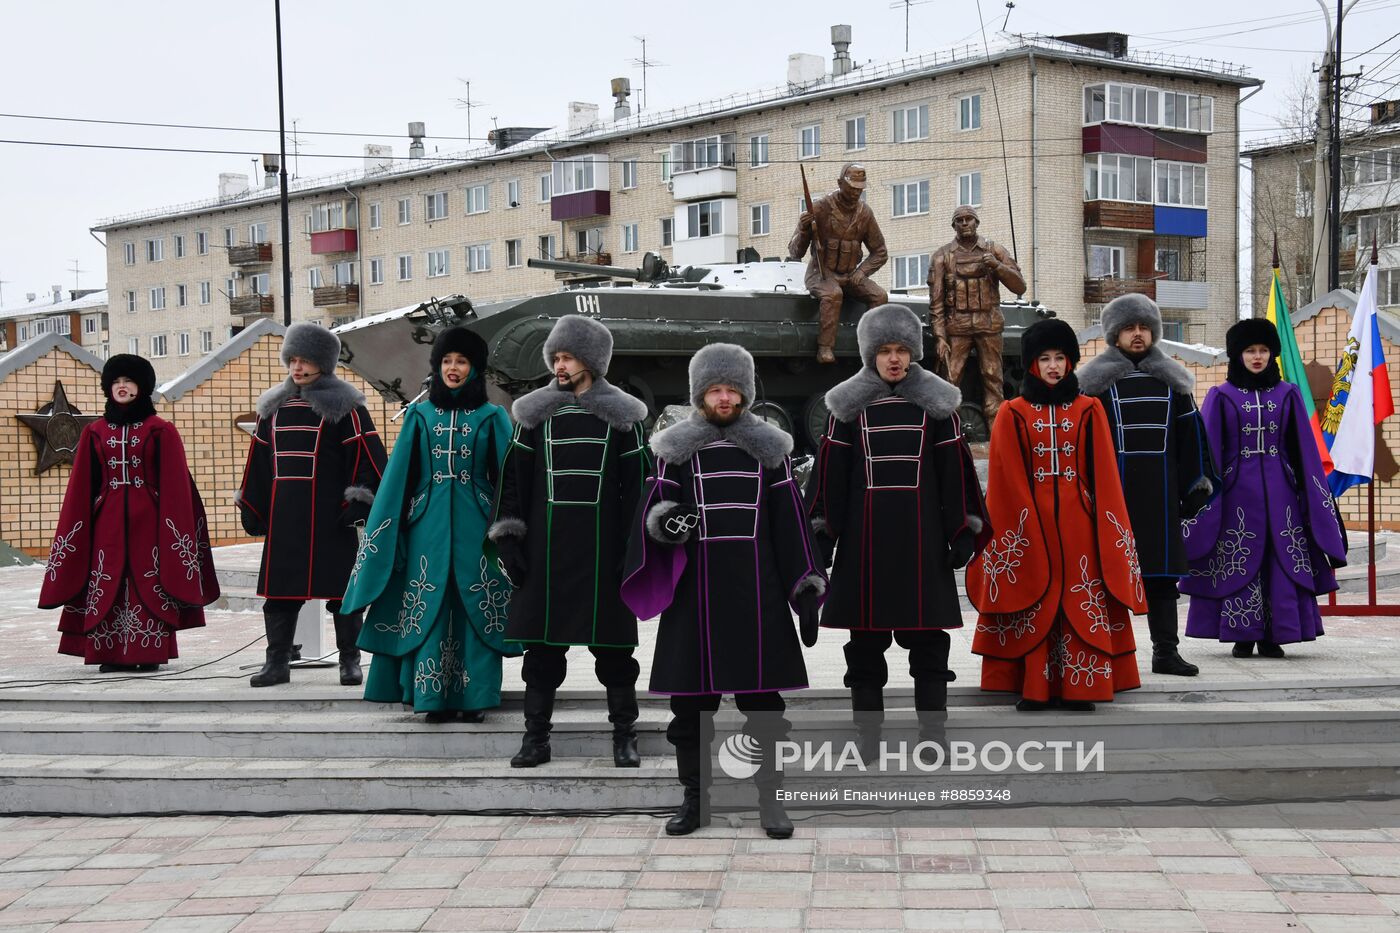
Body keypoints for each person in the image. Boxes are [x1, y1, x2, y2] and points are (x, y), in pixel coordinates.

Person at [622, 343, 825, 839]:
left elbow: (791, 527)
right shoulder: (676, 451)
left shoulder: (769, 452)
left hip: (758, 599)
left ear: (747, 393)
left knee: (765, 712)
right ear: (700, 394)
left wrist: (806, 589)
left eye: (733, 388)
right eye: (716, 389)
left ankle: (771, 802)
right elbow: (655, 517)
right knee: (690, 710)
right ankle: (694, 801)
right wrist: (669, 523)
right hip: (695, 600)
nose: (725, 397)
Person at [806, 304, 989, 758]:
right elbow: (830, 478)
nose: (894, 358)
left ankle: (933, 735)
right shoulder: (845, 409)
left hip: (922, 548)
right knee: (865, 648)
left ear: (914, 354)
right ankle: (867, 738)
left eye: (902, 349)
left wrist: (963, 530)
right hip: (865, 549)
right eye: (885, 350)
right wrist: (823, 535)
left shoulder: (939, 408)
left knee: (929, 646)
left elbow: (956, 474)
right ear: (870, 354)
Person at [487, 315, 651, 766]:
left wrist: (636, 552)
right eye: (556, 357)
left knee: (615, 654)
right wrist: (508, 539)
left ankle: (625, 736)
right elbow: (512, 484)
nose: (559, 365)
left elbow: (640, 488)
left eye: (568, 357)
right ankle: (535, 740)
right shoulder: (533, 414)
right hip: (544, 554)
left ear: (592, 361)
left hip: (604, 556)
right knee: (541, 654)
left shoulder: (625, 416)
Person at [340, 327, 517, 721]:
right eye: (446, 361)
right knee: (429, 603)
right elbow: (398, 478)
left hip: (477, 528)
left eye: (462, 361)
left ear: (475, 369)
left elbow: (509, 477)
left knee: (474, 605)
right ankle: (431, 697)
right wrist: (389, 532)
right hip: (425, 527)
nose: (453, 368)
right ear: (437, 367)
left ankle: (475, 699)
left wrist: (510, 531)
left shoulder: (492, 416)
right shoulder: (420, 415)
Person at [967, 319, 1145, 711]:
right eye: (1044, 358)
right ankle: (1035, 686)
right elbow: (1005, 478)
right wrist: (1022, 524)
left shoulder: (1089, 409)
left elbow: (1105, 474)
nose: (1052, 366)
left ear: (1071, 362)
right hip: (1030, 523)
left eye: (1060, 358)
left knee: (1078, 595)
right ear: (1031, 364)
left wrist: (1108, 527)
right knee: (1037, 594)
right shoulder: (1013, 413)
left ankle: (1082, 687)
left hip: (1080, 523)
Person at [39, 354, 219, 671]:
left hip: (149, 520)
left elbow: (176, 485)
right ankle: (107, 653)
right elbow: (82, 486)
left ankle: (147, 654)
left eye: (129, 381)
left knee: (146, 578)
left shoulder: (160, 430)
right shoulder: (95, 431)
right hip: (105, 521)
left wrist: (173, 527)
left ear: (143, 386)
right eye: (116, 382)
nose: (122, 387)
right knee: (107, 578)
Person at [1181, 318, 1347, 658]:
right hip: (1235, 494)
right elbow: (1208, 450)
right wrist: (1201, 498)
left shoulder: (1288, 394)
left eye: (1264, 351)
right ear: (1236, 355)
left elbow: (1303, 448)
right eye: (1249, 351)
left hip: (1282, 493)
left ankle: (1276, 633)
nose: (1257, 357)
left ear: (1272, 355)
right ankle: (1242, 633)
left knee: (1278, 556)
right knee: (1240, 556)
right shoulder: (1221, 396)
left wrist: (1312, 495)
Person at [235, 322, 387, 688]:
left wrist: (359, 501)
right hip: (285, 517)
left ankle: (350, 662)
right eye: (293, 359)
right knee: (280, 594)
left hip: (330, 518)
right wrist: (252, 506)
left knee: (342, 593)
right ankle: (277, 664)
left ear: (324, 362)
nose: (297, 367)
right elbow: (258, 461)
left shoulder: (346, 407)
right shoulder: (272, 408)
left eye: (305, 360)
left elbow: (369, 458)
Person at [1076, 293, 1218, 677]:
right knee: (1105, 579)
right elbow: (1081, 445)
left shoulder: (1174, 383)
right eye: (1128, 328)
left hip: (1160, 497)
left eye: (1143, 328)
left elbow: (1192, 438)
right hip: (1111, 498)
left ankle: (1165, 653)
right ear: (1114, 334)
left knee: (1161, 579)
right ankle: (1102, 653)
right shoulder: (1093, 386)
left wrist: (1195, 486)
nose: (1137, 335)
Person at [928, 206, 1026, 426]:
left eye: (969, 219)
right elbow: (936, 303)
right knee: (949, 380)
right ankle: (948, 433)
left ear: (976, 222)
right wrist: (940, 337)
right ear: (953, 226)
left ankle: (998, 435)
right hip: (957, 327)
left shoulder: (995, 250)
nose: (964, 223)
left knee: (993, 378)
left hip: (988, 325)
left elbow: (1020, 287)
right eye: (959, 220)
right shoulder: (941, 256)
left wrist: (998, 266)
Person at [787, 163, 888, 364]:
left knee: (880, 296)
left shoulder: (865, 213)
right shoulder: (820, 208)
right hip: (822, 274)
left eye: (860, 188)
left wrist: (861, 272)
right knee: (833, 294)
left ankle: (871, 346)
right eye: (852, 187)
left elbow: (880, 252)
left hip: (850, 275)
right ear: (840, 183)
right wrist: (803, 228)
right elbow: (795, 251)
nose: (855, 192)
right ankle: (825, 347)